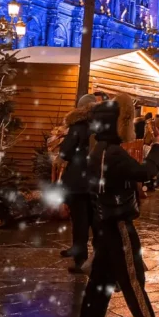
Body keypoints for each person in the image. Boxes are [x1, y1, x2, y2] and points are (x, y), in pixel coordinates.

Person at [77, 93, 159, 317]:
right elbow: (146, 172)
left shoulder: (99, 149)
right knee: (132, 279)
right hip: (117, 225)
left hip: (103, 223)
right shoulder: (113, 152)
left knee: (100, 280)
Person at [59, 94, 98, 272]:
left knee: (80, 221)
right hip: (96, 179)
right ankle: (97, 256)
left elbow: (66, 152)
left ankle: (80, 259)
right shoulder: (100, 126)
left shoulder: (77, 127)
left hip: (79, 180)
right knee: (95, 220)